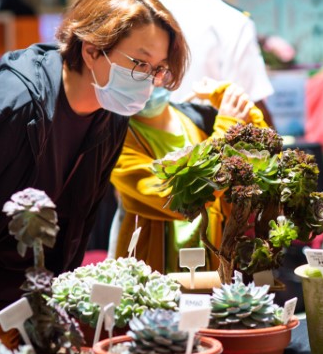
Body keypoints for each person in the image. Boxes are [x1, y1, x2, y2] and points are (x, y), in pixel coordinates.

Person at [0, 0, 188, 341]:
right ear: (92, 49)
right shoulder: (9, 105)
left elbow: (81, 217)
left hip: (27, 308)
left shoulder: (111, 116)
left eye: (157, 69)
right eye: (139, 63)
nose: (148, 81)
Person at [110, 80, 264, 273]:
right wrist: (227, 129)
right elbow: (184, 198)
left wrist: (226, 97)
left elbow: (265, 150)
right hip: (150, 275)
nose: (151, 79)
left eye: (160, 67)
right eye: (139, 67)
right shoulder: (115, 137)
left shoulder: (198, 119)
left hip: (213, 268)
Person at [158, 0, 274, 122]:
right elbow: (251, 102)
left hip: (148, 145)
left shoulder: (146, 11)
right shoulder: (233, 20)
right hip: (212, 145)